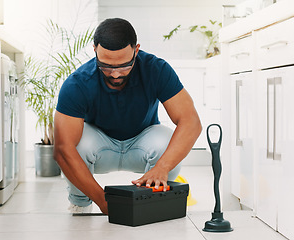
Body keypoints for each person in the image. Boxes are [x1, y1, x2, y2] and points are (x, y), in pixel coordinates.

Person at [54, 18, 202, 214]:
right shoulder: (77, 83)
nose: (115, 74)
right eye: (106, 66)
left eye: (124, 65)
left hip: (142, 144)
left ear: (136, 50)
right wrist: (103, 201)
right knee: (73, 145)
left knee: (166, 142)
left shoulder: (156, 69)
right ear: (94, 50)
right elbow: (62, 150)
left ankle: (153, 201)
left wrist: (163, 167)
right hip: (99, 147)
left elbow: (191, 122)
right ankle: (81, 204)